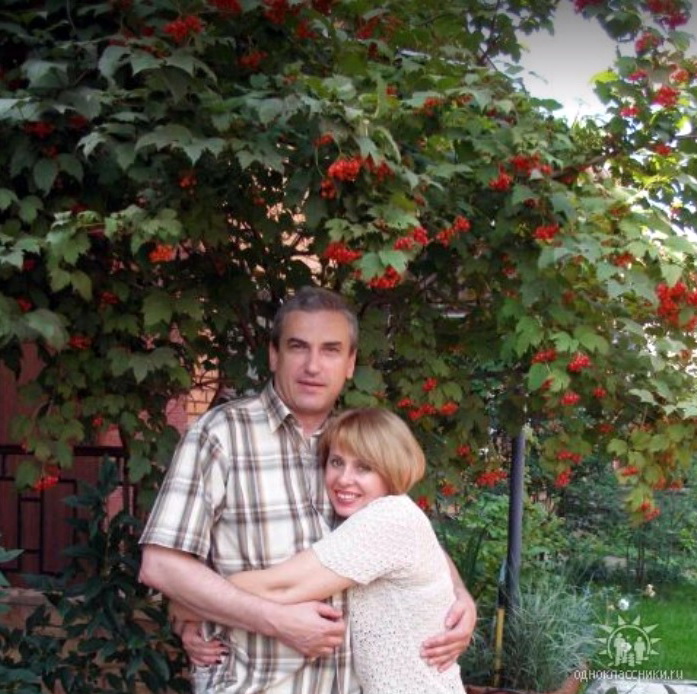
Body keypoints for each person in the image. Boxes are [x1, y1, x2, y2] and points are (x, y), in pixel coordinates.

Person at [139, 286, 475, 694]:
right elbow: (161, 566)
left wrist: (459, 596)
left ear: (350, 363)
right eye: (298, 347)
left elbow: (410, 537)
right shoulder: (222, 435)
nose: (313, 366)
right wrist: (273, 620)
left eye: (331, 350)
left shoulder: (355, 443)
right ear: (274, 355)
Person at [224, 407, 468, 694]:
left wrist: (191, 604)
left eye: (364, 467)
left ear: (391, 469)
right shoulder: (396, 513)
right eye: (337, 462)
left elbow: (281, 587)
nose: (343, 479)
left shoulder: (388, 519)